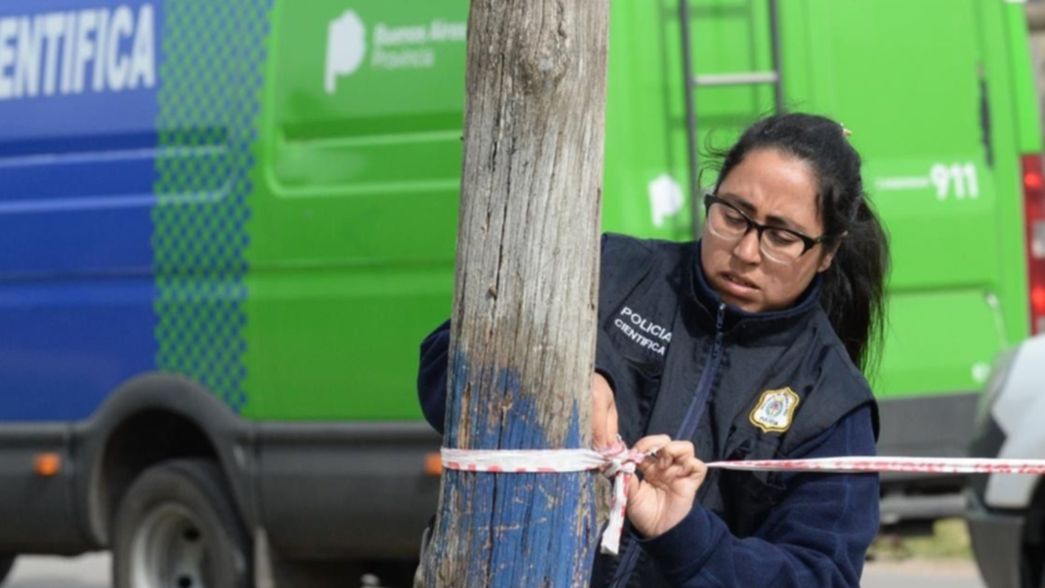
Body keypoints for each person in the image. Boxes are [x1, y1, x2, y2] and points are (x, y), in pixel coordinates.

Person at [416, 112, 889, 587]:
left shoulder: (833, 401)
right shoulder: (614, 270)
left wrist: (681, 532)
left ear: (828, 251)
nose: (746, 252)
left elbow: (818, 577)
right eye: (733, 216)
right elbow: (442, 363)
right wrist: (566, 382)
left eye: (782, 237)